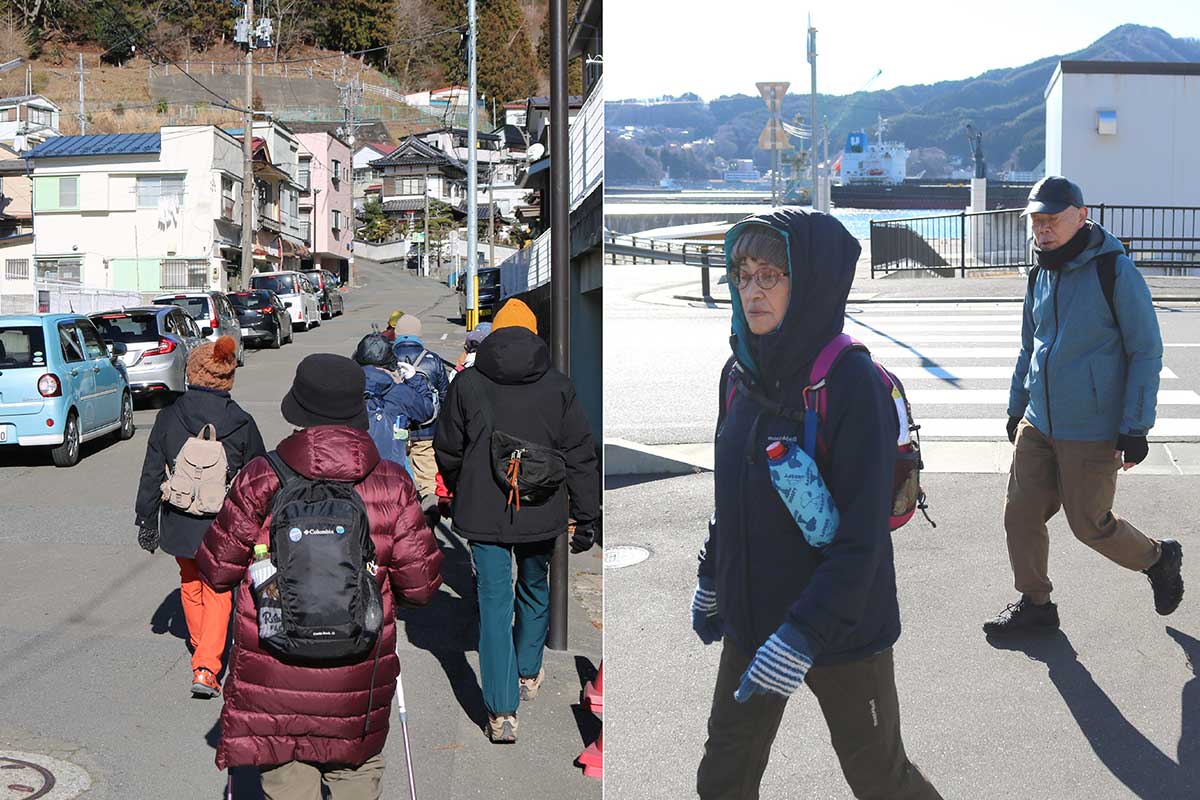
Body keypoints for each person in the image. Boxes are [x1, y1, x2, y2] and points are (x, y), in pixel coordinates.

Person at [693, 211, 942, 800]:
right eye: (742, 274)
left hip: (841, 627)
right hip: (753, 616)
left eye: (770, 275)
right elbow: (731, 497)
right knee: (722, 781)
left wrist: (802, 635)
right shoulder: (739, 374)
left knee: (881, 779)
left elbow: (863, 541)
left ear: (809, 282)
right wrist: (712, 574)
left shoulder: (851, 383)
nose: (751, 289)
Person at [196, 353, 444, 799]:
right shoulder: (390, 483)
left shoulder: (261, 477)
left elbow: (215, 570)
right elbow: (422, 587)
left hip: (274, 671)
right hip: (358, 671)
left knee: (288, 781)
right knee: (355, 774)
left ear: (300, 410)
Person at [985, 176, 1184, 635]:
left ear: (1082, 215)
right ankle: (1036, 603)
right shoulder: (1040, 272)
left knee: (1090, 525)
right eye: (1037, 220)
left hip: (1092, 426)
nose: (1044, 229)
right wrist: (1018, 407)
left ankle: (1158, 558)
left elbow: (1146, 351)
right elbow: (1028, 347)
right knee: (1020, 512)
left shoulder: (1113, 271)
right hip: (1039, 421)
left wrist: (1136, 428)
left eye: (1053, 219)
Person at [434, 298, 600, 744]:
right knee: (534, 584)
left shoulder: (467, 383)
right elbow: (581, 454)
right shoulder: (558, 386)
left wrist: (462, 480)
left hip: (484, 509)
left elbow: (447, 447)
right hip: (543, 508)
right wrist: (585, 514)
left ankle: (501, 711)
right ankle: (529, 670)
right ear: (534, 336)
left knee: (493, 602)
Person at [134, 335, 265, 698]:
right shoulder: (242, 422)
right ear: (227, 376)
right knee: (219, 588)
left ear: (192, 372)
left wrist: (146, 519)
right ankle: (207, 665)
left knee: (190, 582)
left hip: (179, 517)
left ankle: (202, 645)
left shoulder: (169, 416)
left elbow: (151, 472)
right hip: (222, 523)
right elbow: (259, 477)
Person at [391, 314, 451, 506]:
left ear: (396, 333)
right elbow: (444, 397)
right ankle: (428, 522)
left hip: (396, 430)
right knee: (428, 483)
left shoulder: (387, 358)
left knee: (395, 479)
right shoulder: (433, 359)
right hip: (427, 432)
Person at [352, 331, 435, 469]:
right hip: (391, 469)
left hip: (355, 466)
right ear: (391, 362)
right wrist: (414, 379)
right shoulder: (400, 392)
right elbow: (426, 412)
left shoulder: (346, 389)